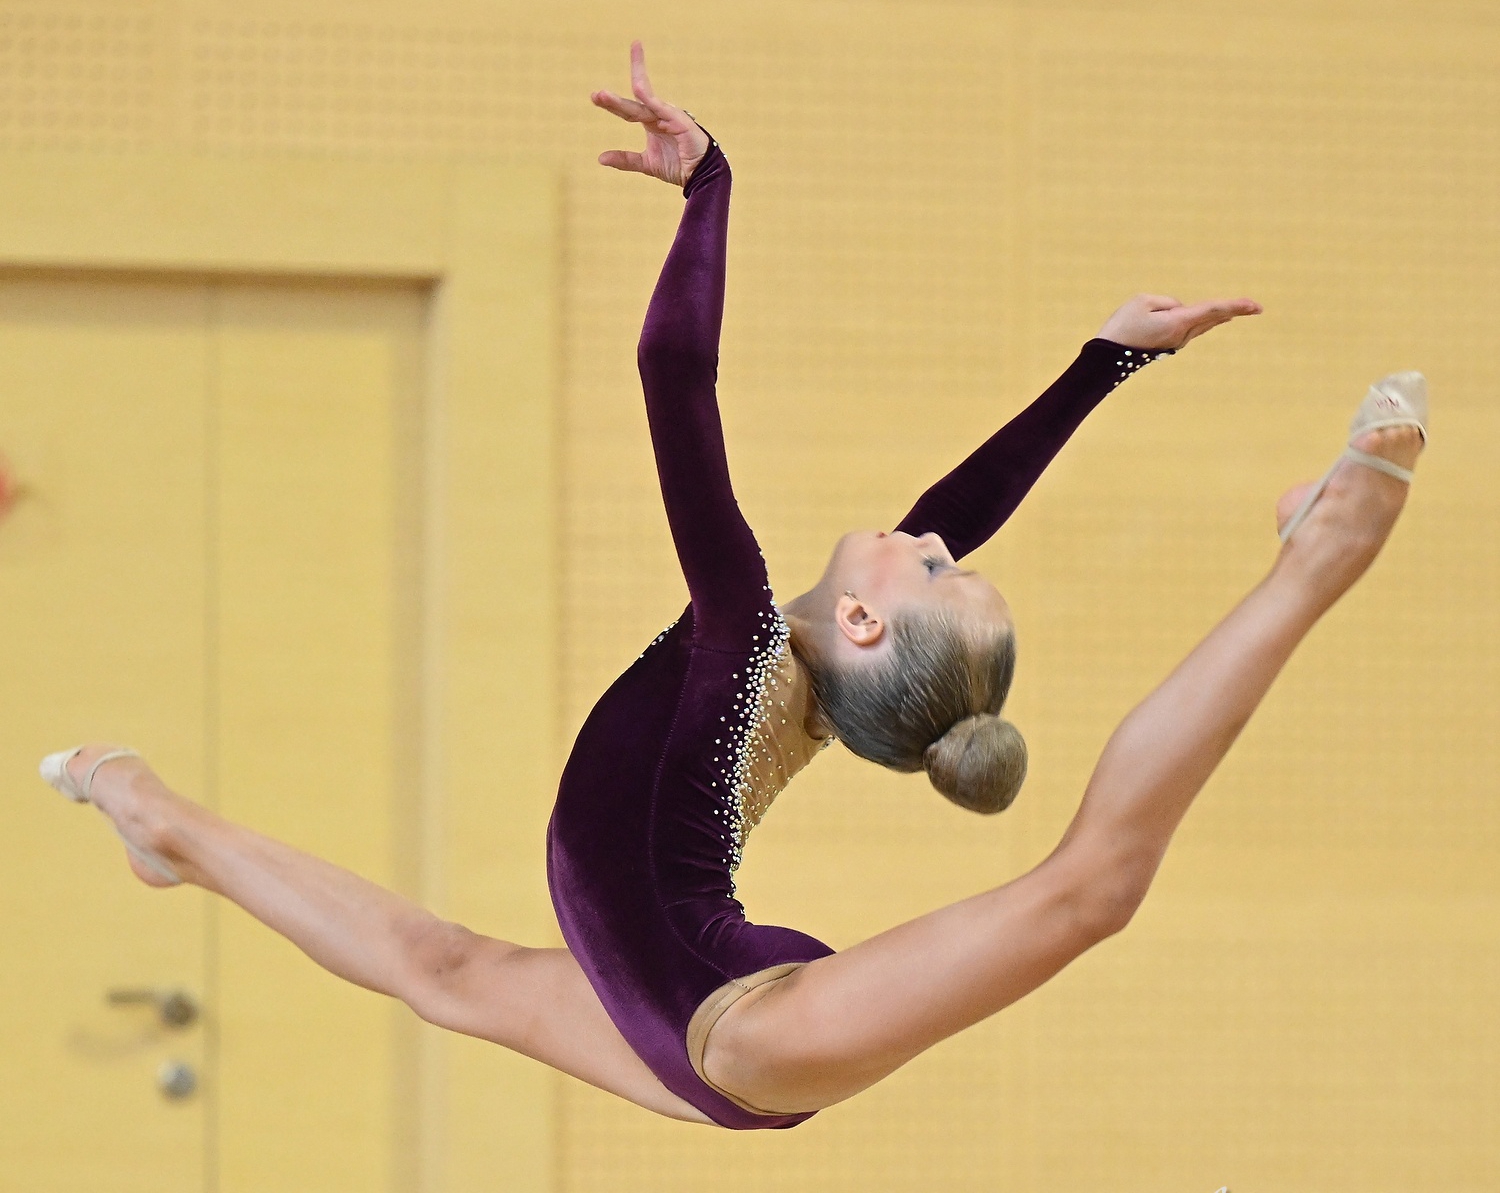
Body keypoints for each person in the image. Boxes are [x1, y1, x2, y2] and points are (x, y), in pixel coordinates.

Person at [40, 44, 1425, 1131]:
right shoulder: (810, 670)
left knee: (1088, 890)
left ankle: (1324, 551)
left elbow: (672, 377)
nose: (936, 534)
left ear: (874, 618)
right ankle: (157, 815)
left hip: (732, 1020)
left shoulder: (741, 627)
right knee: (441, 970)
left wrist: (713, 191)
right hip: (691, 1012)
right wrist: (1108, 360)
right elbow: (958, 507)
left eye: (941, 568)